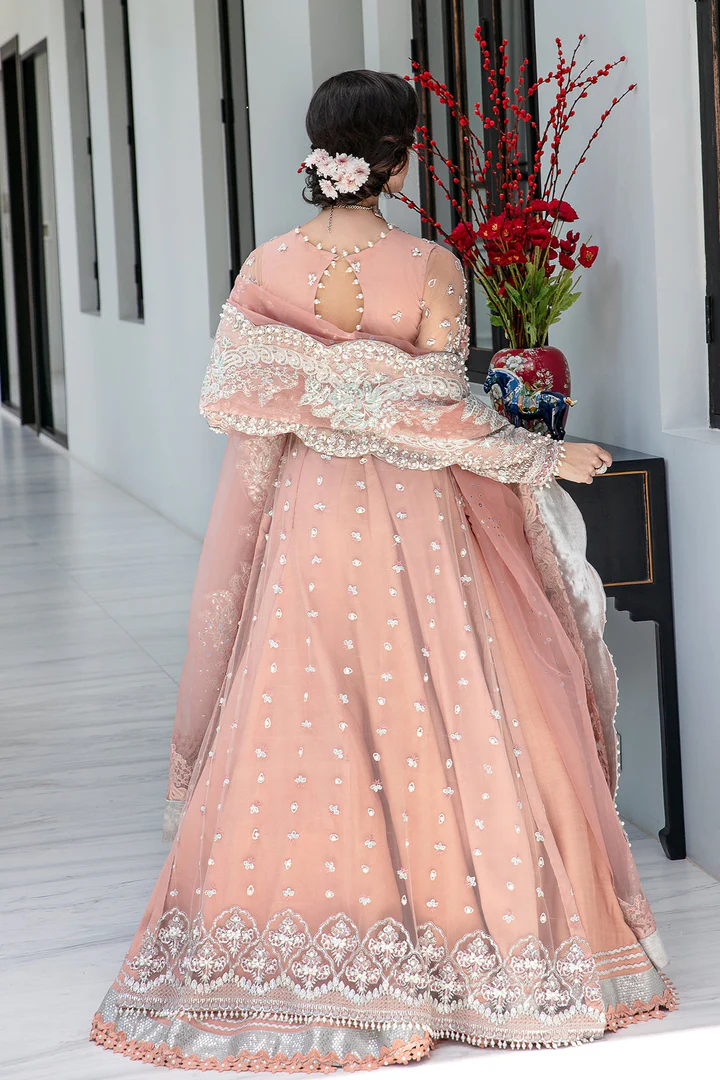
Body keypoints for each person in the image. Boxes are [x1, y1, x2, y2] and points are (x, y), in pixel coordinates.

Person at [90, 70, 677, 1072]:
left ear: (320, 152)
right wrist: (539, 455)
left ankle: (311, 953)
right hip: (418, 522)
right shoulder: (431, 266)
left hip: (311, 521)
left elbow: (257, 405)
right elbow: (436, 413)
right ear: (399, 164)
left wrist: (326, 399)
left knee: (311, 715)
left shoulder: (266, 267)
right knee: (447, 707)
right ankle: (474, 951)